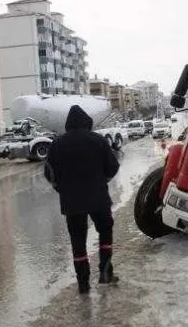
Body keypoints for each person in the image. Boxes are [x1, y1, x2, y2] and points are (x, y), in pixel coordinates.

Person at [44, 105, 121, 294]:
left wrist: (61, 188)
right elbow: (112, 167)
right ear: (87, 122)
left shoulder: (57, 144)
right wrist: (103, 180)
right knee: (105, 232)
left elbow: (49, 173)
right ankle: (105, 273)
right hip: (99, 198)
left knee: (78, 241)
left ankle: (83, 283)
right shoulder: (98, 140)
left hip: (72, 202)